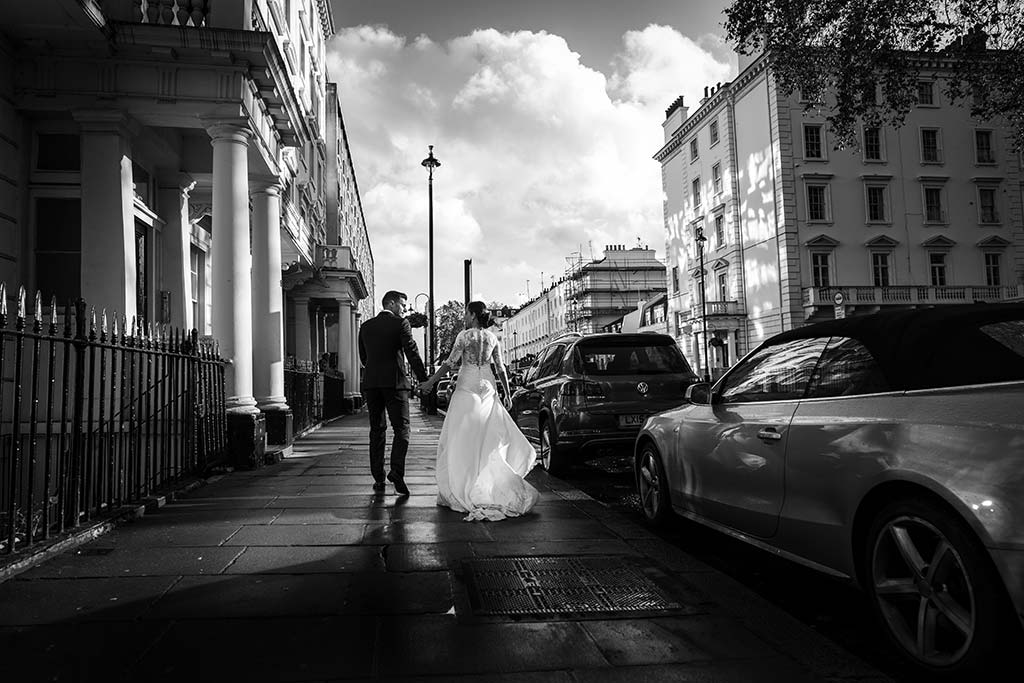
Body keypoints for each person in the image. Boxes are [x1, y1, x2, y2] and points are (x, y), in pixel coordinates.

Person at [419, 301, 540, 521]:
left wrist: (431, 382)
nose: (464, 316)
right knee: (487, 437)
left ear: (473, 315)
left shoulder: (464, 337)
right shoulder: (492, 338)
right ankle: (486, 484)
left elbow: (450, 363)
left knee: (462, 438)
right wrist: (507, 392)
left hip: (467, 387)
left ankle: (464, 485)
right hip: (488, 387)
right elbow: (500, 368)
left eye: (466, 313)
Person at [358, 290, 428, 495]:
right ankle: (396, 472)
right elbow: (412, 352)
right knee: (402, 429)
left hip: (371, 384)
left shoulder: (366, 326)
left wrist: (374, 372)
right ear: (391, 303)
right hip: (395, 383)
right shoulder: (400, 324)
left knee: (377, 430)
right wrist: (424, 380)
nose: (405, 309)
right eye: (402, 305)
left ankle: (378, 477)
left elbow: (364, 357)